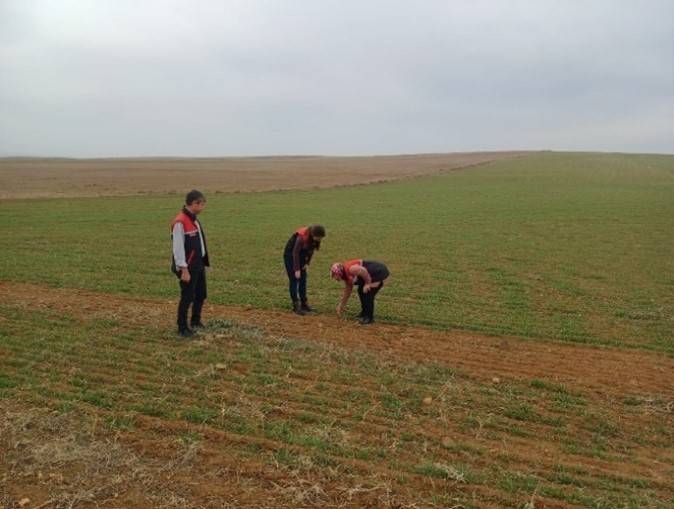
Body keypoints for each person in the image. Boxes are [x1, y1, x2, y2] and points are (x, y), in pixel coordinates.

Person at [171, 190, 209, 337]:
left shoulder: (193, 219)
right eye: (202, 204)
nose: (203, 208)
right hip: (188, 267)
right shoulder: (180, 222)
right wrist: (183, 270)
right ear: (194, 204)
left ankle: (195, 321)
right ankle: (182, 327)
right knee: (187, 297)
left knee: (201, 294)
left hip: (198, 264)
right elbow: (178, 249)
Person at [331, 259, 390, 324]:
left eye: (334, 274)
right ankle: (364, 313)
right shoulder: (346, 276)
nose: (335, 277)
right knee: (361, 290)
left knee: (367, 292)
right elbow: (347, 291)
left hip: (378, 272)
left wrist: (368, 283)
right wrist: (341, 305)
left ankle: (368, 317)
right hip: (371, 274)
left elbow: (362, 270)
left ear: (339, 272)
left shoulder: (350, 269)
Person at [283, 225, 326, 315]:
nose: (319, 239)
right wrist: (296, 269)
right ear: (313, 234)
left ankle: (304, 304)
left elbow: (311, 250)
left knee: (303, 280)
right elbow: (295, 253)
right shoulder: (301, 238)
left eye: (320, 238)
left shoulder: (313, 239)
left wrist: (307, 263)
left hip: (301, 255)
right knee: (294, 280)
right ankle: (296, 306)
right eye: (318, 237)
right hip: (290, 256)